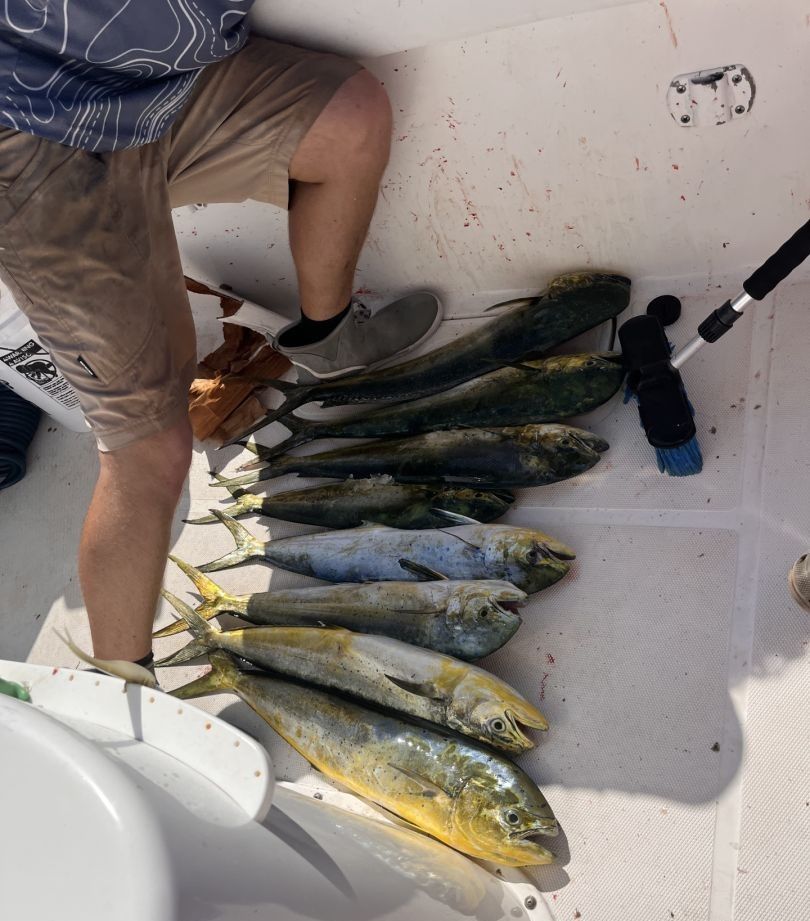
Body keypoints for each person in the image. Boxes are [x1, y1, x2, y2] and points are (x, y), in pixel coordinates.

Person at [0, 4, 442, 670]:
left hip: (161, 85)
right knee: (150, 448)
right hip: (31, 138)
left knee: (348, 119)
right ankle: (125, 695)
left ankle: (327, 338)